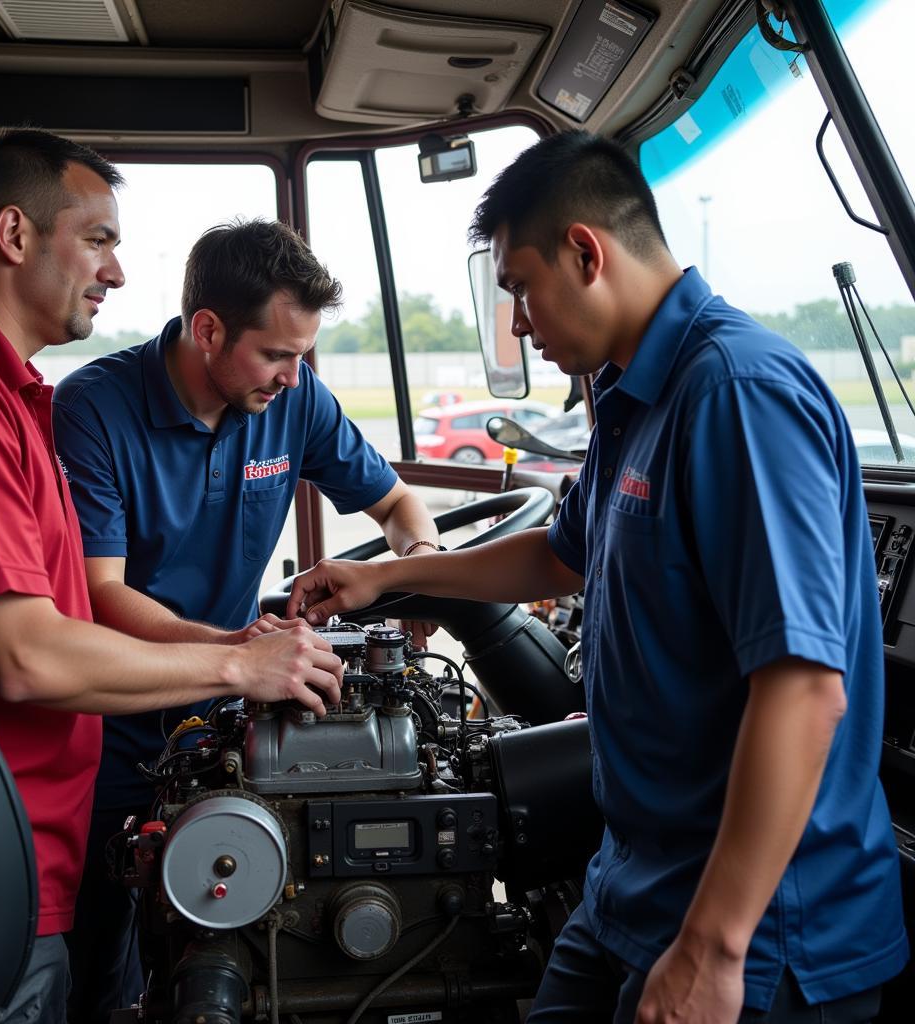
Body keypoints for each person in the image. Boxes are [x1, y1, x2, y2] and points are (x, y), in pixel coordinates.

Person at [286, 130, 908, 1023]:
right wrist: (386, 579)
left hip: (759, 929)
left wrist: (713, 947)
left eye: (520, 290)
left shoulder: (736, 392)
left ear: (586, 252)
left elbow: (805, 690)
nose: (521, 323)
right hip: (633, 883)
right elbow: (558, 555)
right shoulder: (630, 398)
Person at [0, 129, 343, 1024]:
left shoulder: (7, 390)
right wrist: (234, 665)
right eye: (98, 240)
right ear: (16, 235)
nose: (119, 273)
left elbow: (55, 611)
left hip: (35, 843)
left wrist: (234, 646)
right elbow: (24, 655)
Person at [52, 217, 440, 1021]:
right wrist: (238, 649)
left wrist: (411, 578)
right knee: (99, 966)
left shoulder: (295, 406)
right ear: (207, 329)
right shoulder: (95, 406)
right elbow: (101, 593)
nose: (293, 378)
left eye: (303, 356)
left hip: (231, 718)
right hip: (114, 727)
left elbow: (400, 505)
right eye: (275, 354)